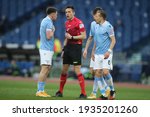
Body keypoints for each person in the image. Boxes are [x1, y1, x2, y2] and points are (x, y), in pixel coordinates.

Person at [83, 7, 116, 100]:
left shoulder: (108, 26)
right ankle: (104, 95)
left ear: (101, 16)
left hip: (106, 54)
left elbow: (113, 40)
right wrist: (86, 49)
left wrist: (109, 51)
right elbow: (91, 38)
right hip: (97, 53)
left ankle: (112, 90)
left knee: (105, 72)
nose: (94, 18)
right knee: (97, 73)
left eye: (96, 16)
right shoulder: (94, 25)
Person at [55, 6, 87, 98]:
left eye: (69, 12)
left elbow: (84, 36)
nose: (67, 14)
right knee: (64, 70)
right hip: (68, 48)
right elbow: (67, 37)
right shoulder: (66, 23)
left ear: (73, 13)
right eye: (66, 12)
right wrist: (63, 50)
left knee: (77, 70)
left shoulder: (79, 23)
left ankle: (83, 93)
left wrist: (72, 37)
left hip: (76, 47)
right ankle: (60, 91)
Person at [36, 7, 57, 97]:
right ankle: (39, 91)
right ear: (52, 14)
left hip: (47, 48)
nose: (57, 16)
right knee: (44, 69)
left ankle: (42, 90)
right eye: (56, 14)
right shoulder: (48, 22)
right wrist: (53, 30)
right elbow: (49, 36)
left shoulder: (46, 21)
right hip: (46, 49)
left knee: (47, 68)